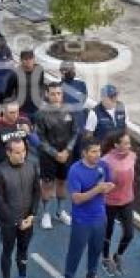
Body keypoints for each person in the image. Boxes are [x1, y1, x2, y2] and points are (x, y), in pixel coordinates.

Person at [61, 141, 114, 278]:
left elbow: (110, 184)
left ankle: (91, 277)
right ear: (84, 153)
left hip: (100, 217)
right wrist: (98, 189)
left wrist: (107, 187)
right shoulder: (75, 171)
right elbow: (76, 199)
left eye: (99, 151)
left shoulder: (104, 166)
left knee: (96, 250)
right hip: (82, 220)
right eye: (93, 151)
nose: (97, 154)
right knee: (75, 252)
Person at [0, 138, 41, 278]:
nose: (22, 155)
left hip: (28, 219)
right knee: (7, 251)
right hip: (9, 222)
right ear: (8, 153)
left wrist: (32, 215)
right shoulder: (0, 172)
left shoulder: (32, 165)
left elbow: (36, 191)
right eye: (18, 152)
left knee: (23, 249)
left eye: (24, 151)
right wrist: (16, 220)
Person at [34, 82, 78, 230]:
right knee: (47, 184)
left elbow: (75, 132)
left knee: (62, 182)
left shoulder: (69, 111)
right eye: (53, 94)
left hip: (66, 155)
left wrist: (67, 151)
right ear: (47, 94)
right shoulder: (41, 114)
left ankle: (60, 211)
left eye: (59, 93)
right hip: (48, 156)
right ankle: (46, 213)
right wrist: (55, 153)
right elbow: (40, 138)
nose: (56, 96)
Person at [101, 131, 136, 277]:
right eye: (126, 143)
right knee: (107, 233)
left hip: (126, 200)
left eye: (129, 143)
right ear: (116, 145)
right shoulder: (105, 161)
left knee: (129, 234)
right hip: (109, 202)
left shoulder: (133, 156)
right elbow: (99, 182)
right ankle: (105, 258)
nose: (129, 146)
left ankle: (118, 255)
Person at [4, 50, 46, 118]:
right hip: (21, 111)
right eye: (26, 59)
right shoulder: (15, 74)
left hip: (37, 109)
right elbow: (8, 93)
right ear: (21, 60)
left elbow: (41, 85)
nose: (28, 61)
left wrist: (41, 98)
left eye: (31, 58)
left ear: (34, 59)